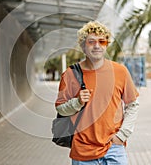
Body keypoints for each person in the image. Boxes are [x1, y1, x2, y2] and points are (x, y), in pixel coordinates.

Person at [55, 21, 139, 165]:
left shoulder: (120, 72)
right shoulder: (70, 74)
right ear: (83, 46)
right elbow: (60, 108)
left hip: (114, 149)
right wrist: (77, 102)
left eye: (102, 41)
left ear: (106, 44)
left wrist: (122, 135)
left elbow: (132, 105)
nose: (97, 45)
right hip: (83, 151)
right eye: (91, 42)